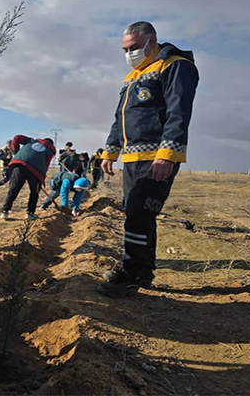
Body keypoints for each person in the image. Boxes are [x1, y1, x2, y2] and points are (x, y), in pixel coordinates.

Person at [97, 21, 199, 298]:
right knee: (139, 213)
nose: (129, 53)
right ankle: (143, 271)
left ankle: (130, 274)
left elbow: (179, 113)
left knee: (138, 214)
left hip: (156, 158)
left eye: (134, 47)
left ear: (151, 42)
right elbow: (120, 117)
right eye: (124, 49)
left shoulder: (175, 66)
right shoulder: (132, 77)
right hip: (132, 158)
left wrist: (167, 155)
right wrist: (110, 152)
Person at [0, 135, 56, 221]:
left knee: (13, 189)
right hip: (35, 170)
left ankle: (5, 212)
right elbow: (46, 165)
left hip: (20, 164)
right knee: (34, 192)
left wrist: (16, 152)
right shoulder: (50, 150)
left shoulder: (31, 141)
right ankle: (30, 214)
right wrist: (41, 178)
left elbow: (16, 138)